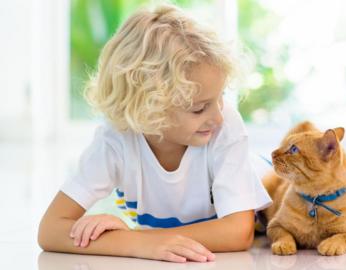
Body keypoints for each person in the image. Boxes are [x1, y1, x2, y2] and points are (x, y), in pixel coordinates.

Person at [38, 4, 272, 263]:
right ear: (148, 109)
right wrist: (138, 243)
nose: (217, 115)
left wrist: (138, 238)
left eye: (221, 98)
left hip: (271, 185)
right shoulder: (116, 140)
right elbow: (50, 230)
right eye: (198, 108)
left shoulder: (224, 124)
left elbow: (238, 232)